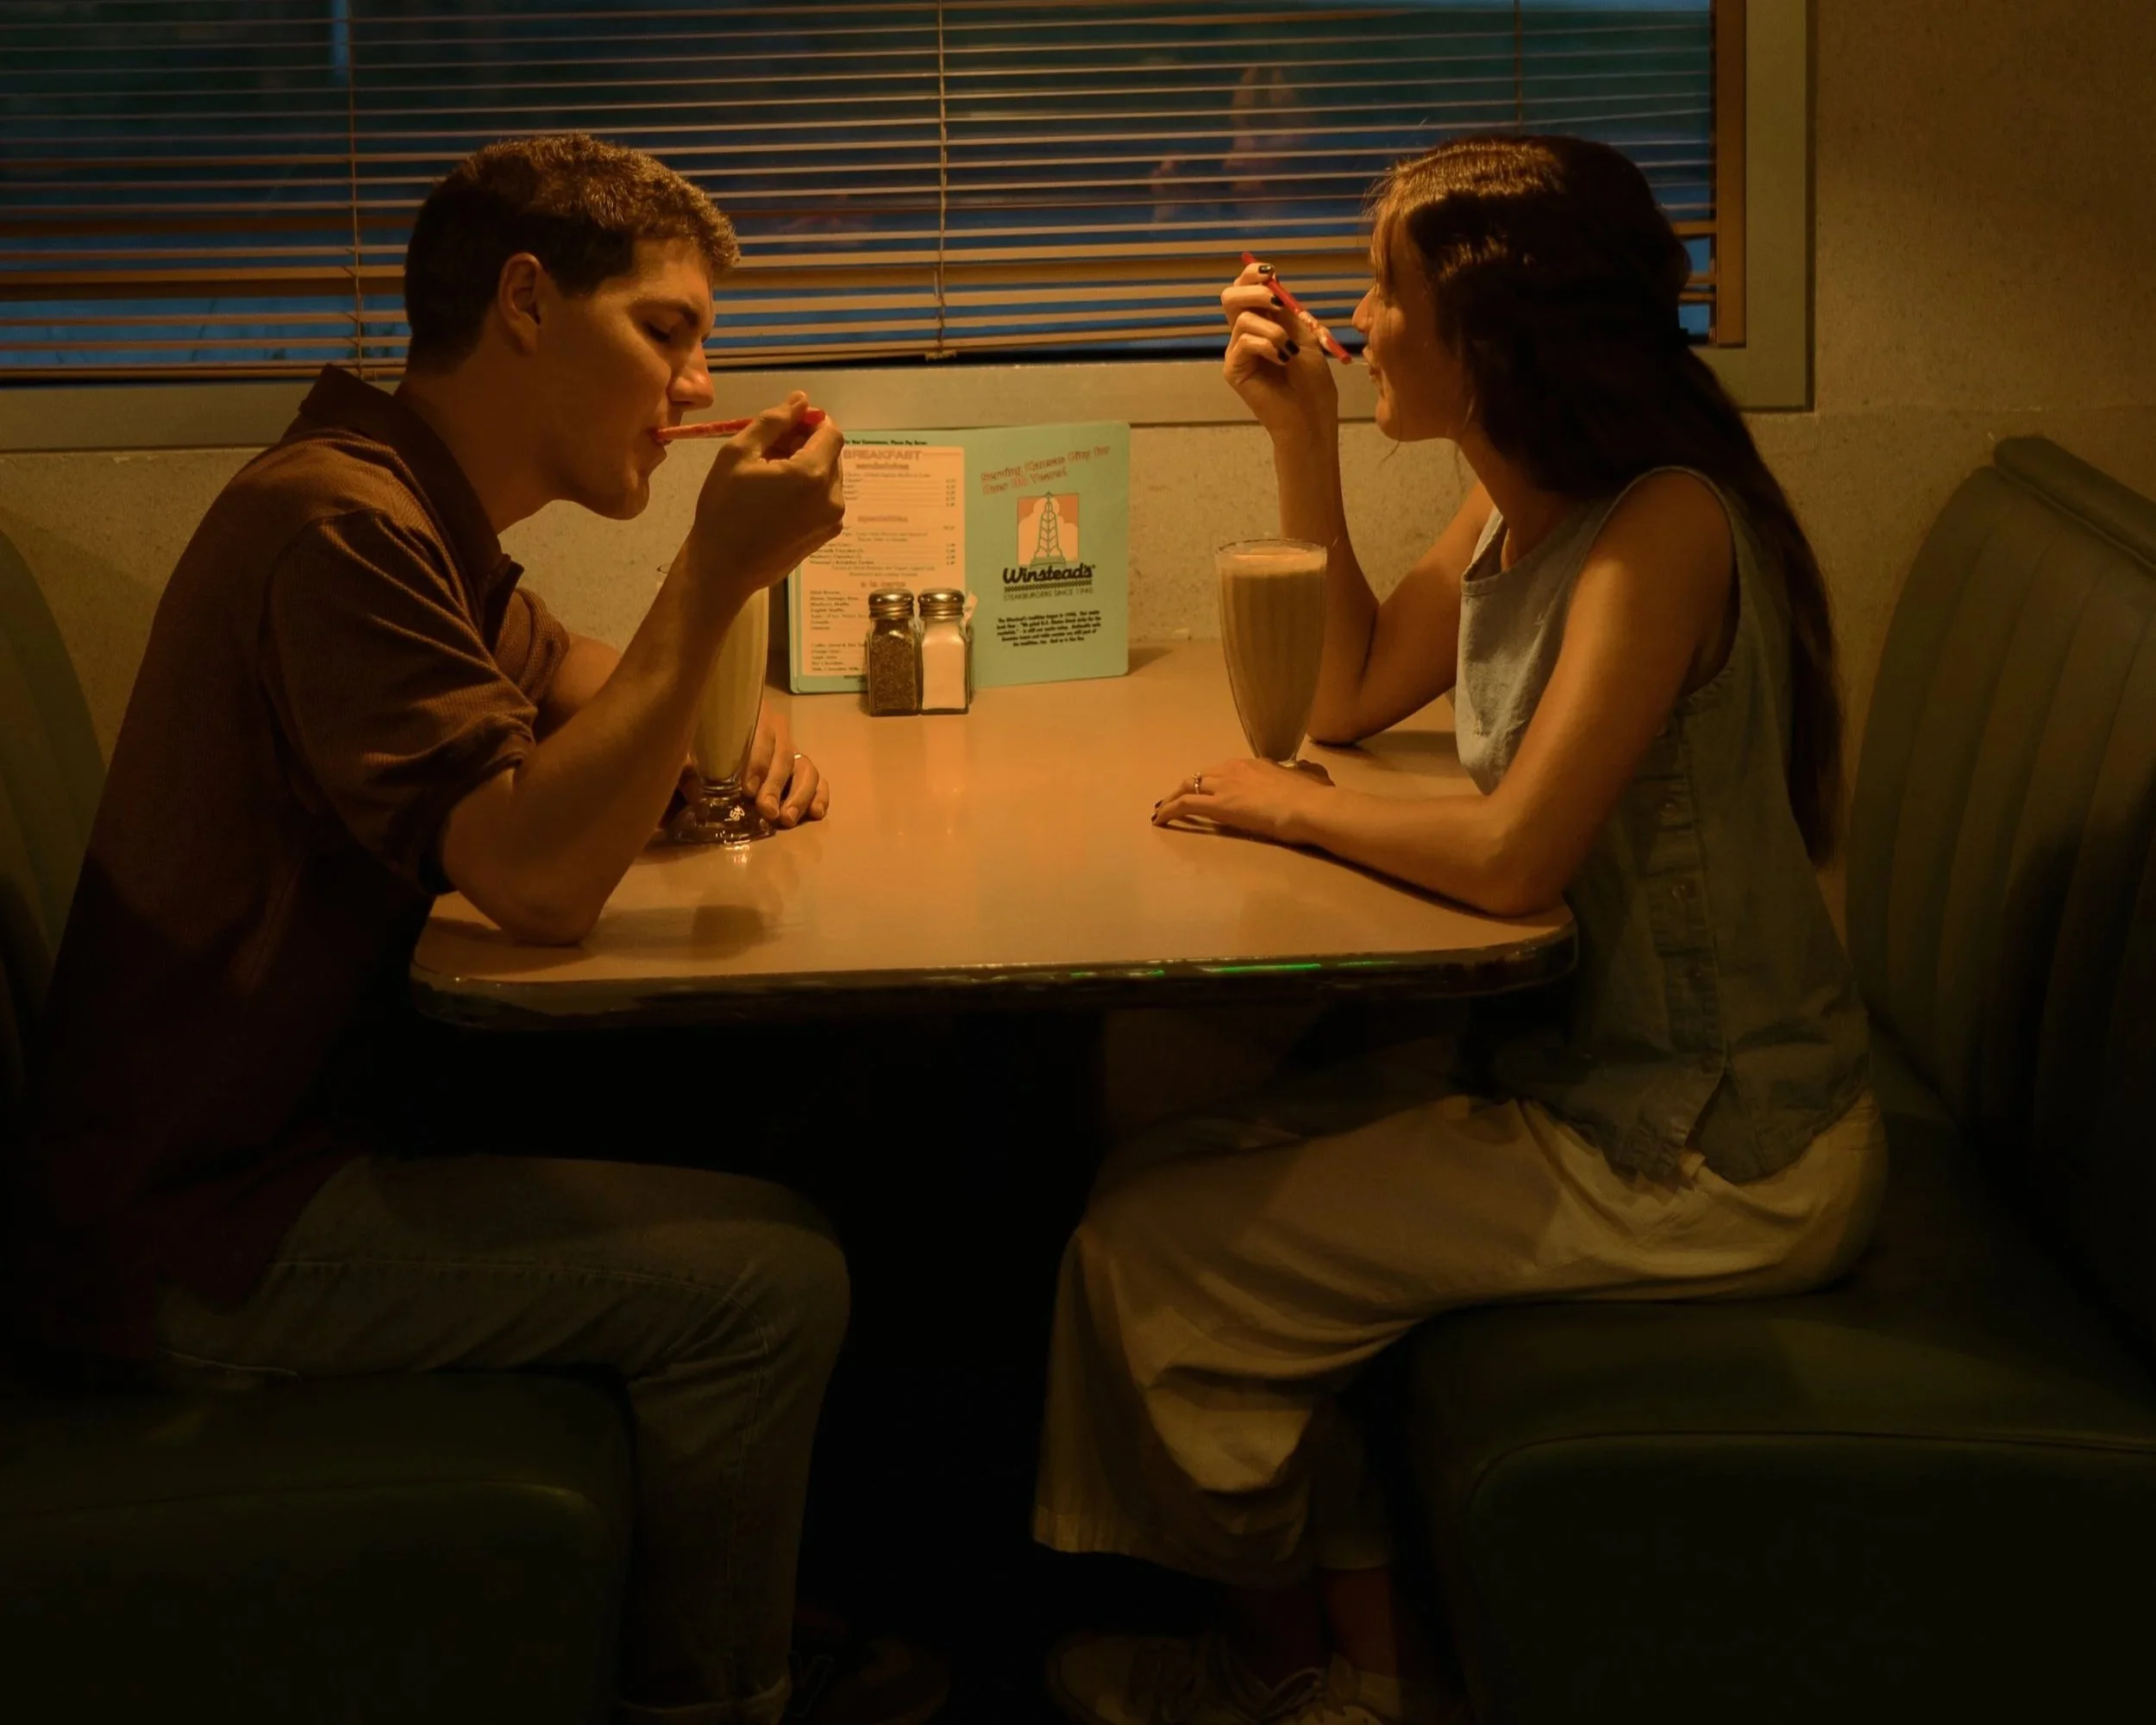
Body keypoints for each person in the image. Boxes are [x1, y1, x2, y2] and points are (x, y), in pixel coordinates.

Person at [3, 135, 938, 1725]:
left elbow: (579, 685)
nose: (696, 382)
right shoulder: (337, 528)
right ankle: (713, 1692)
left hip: (307, 1135)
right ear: (523, 301)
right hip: (208, 1230)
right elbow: (538, 877)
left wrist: (732, 711)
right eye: (665, 331)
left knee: (832, 1120)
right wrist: (712, 575)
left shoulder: (411, 507)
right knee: (768, 1285)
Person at [1036, 135, 1882, 1725]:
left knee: (1147, 1259)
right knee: (1156, 1169)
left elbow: (1511, 856)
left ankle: (1302, 1671)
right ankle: (1359, 1651)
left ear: (1494, 332)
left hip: (1719, 1150)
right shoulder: (1514, 515)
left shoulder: (1662, 527)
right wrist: (1306, 441)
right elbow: (1351, 692)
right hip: (1590, 1085)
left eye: (1382, 293)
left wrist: (1275, 803)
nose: (1356, 322)